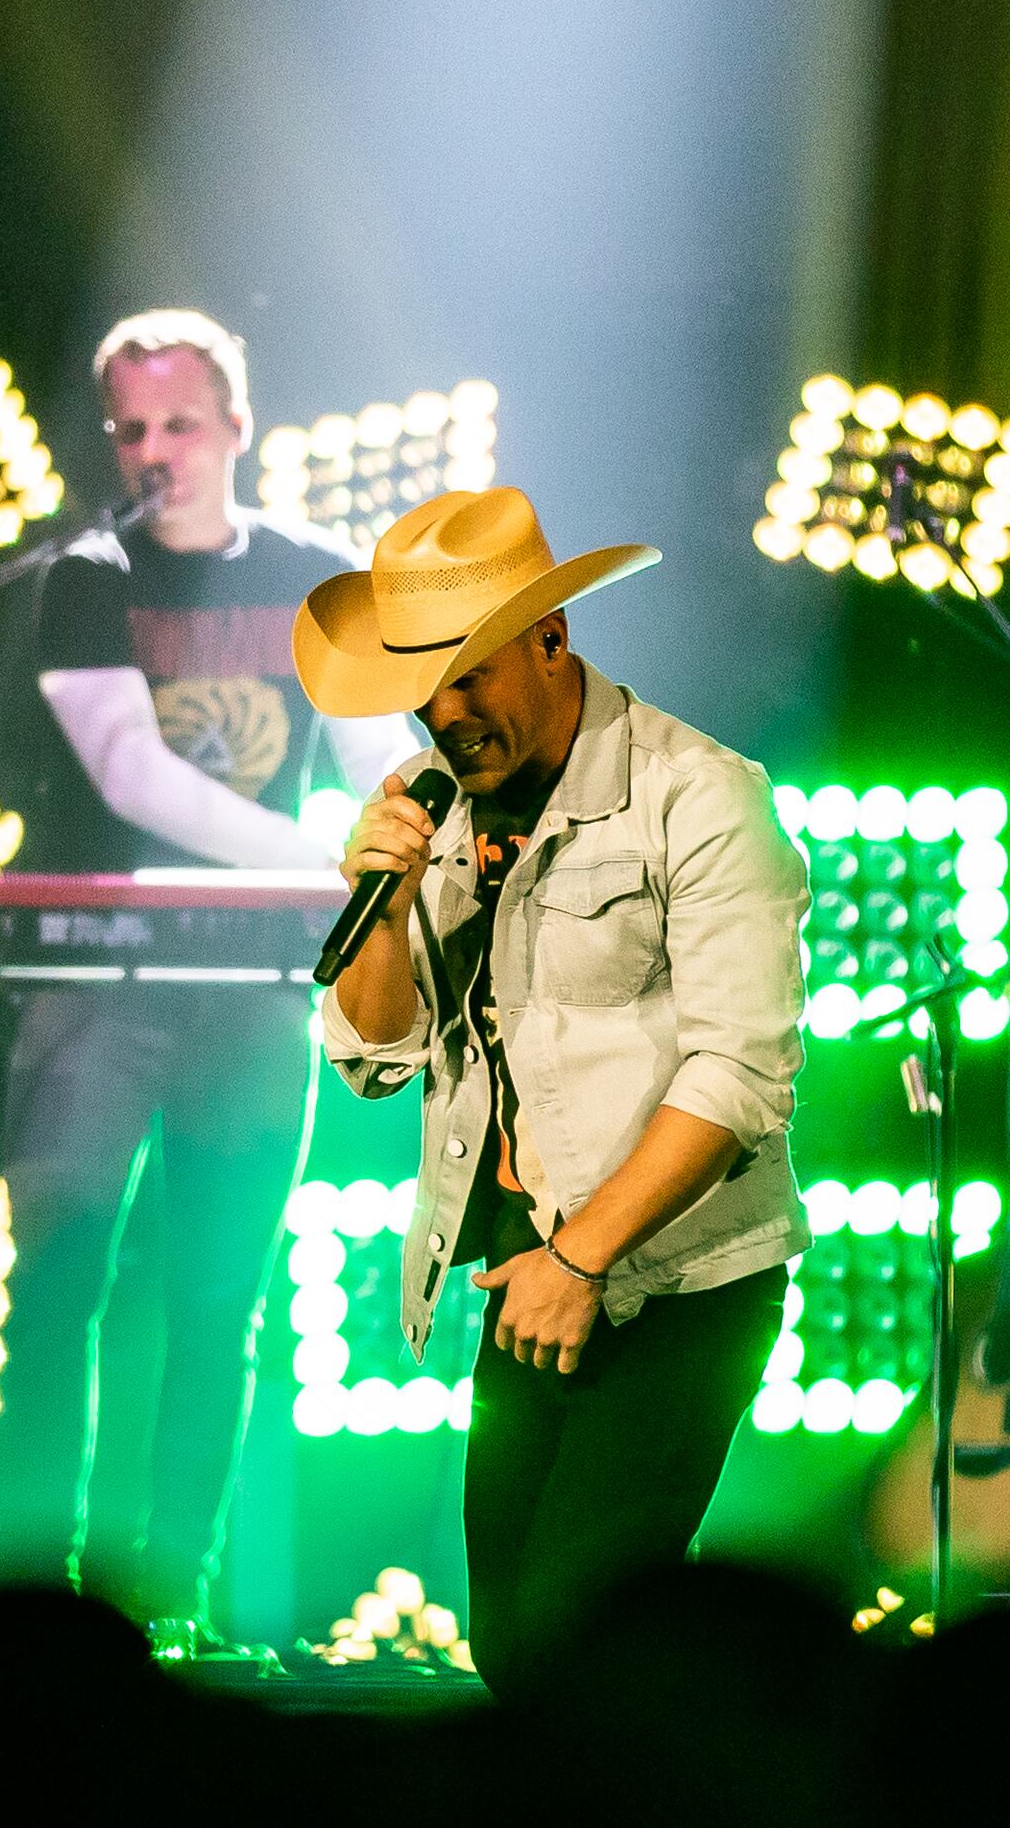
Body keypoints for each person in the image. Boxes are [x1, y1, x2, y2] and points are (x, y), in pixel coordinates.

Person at [0, 308, 415, 1635]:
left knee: (222, 1301)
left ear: (236, 426)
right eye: (131, 429)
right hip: (99, 985)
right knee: (59, 1284)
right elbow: (134, 775)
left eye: (179, 424)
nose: (154, 451)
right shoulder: (86, 576)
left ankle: (174, 1602)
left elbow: (369, 758)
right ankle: (31, 1604)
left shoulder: (317, 574)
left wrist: (399, 834)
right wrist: (314, 860)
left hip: (252, 997)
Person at [313, 487, 811, 1697]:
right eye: (425, 687)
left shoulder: (698, 795)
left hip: (673, 1285)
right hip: (522, 1278)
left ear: (553, 638)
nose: (447, 712)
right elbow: (376, 1055)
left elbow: (741, 1074)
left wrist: (583, 1258)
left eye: (472, 675)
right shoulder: (434, 806)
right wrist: (386, 894)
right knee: (509, 1647)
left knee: (583, 1648)